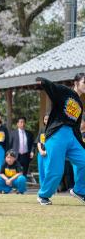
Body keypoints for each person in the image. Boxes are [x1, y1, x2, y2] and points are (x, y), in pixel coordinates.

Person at [36, 74, 85, 205]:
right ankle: (43, 195)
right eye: (84, 82)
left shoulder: (80, 104)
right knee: (57, 170)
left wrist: (81, 144)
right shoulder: (65, 92)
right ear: (76, 83)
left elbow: (76, 127)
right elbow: (54, 88)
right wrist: (44, 81)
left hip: (72, 136)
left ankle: (79, 190)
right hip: (57, 134)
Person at [35, 114, 49, 188]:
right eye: (45, 119)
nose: (46, 121)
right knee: (41, 171)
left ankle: (49, 188)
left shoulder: (53, 130)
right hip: (41, 153)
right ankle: (42, 188)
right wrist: (40, 151)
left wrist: (47, 152)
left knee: (48, 171)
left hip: (49, 154)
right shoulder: (42, 129)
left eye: (48, 119)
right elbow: (38, 142)